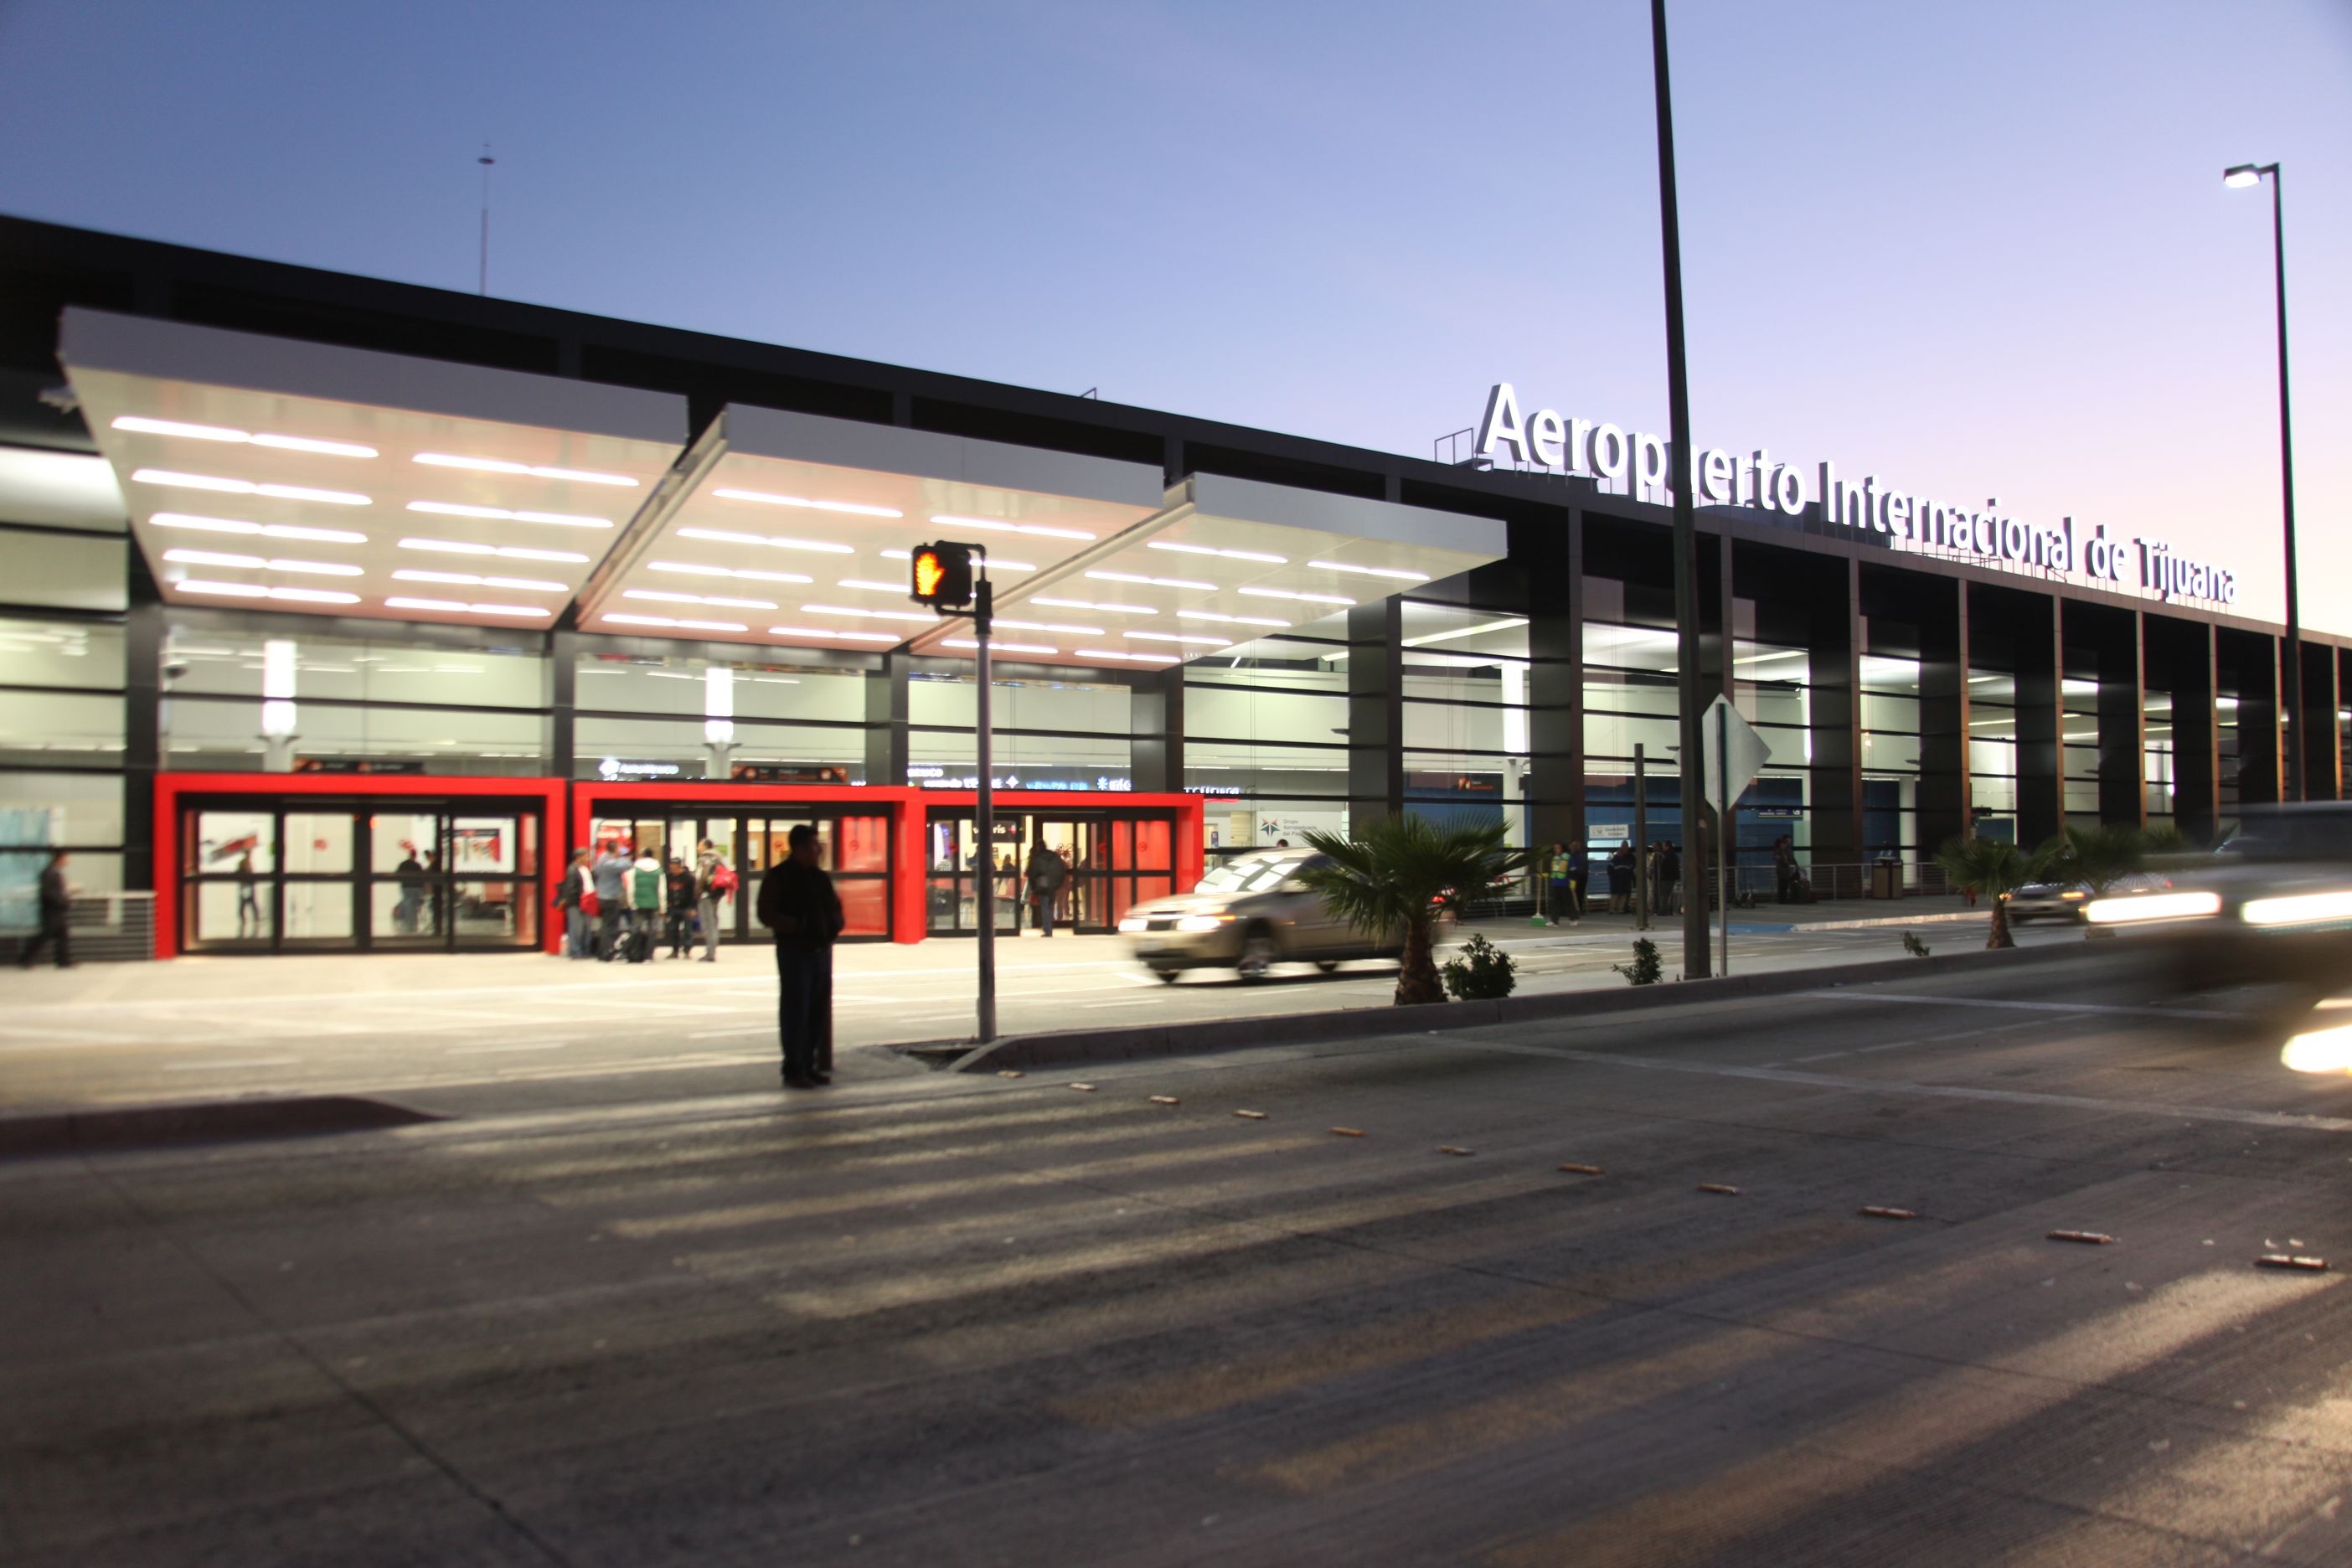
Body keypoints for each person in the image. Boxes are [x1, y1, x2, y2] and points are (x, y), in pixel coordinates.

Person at [758, 823, 843, 1089]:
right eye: (811, 846)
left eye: (817, 845)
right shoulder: (779, 877)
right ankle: (794, 1068)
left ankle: (809, 1064)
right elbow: (766, 913)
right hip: (795, 952)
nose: (817, 850)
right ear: (797, 848)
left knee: (816, 1012)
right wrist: (797, 927)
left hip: (820, 951)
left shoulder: (819, 878)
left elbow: (835, 907)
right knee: (796, 1011)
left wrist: (833, 927)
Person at [18, 849, 74, 968]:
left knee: (62, 935)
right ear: (60, 858)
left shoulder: (55, 872)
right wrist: (61, 901)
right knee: (44, 936)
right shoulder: (49, 872)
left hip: (57, 910)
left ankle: (63, 961)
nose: (68, 861)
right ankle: (25, 959)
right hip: (51, 911)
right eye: (67, 858)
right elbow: (47, 892)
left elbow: (56, 891)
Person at [591, 843, 632, 960]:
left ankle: (602, 951)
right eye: (619, 848)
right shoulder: (609, 863)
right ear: (615, 849)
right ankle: (606, 952)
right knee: (610, 926)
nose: (621, 850)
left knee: (606, 925)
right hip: (610, 898)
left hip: (603, 896)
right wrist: (624, 856)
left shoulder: (602, 857)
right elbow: (628, 865)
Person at [1024, 833, 1068, 938]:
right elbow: (1061, 869)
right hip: (1053, 886)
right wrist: (1058, 883)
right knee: (1050, 907)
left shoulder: (1037, 857)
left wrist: (1034, 886)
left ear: (1038, 847)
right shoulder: (1053, 856)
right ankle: (1050, 928)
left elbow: (1032, 872)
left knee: (1044, 908)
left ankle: (1048, 930)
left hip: (1042, 886)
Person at [554, 848, 592, 959]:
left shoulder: (584, 869)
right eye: (586, 856)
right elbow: (571, 889)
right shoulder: (572, 870)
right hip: (576, 903)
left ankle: (585, 950)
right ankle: (575, 951)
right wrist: (580, 898)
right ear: (579, 858)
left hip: (586, 902)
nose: (588, 859)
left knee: (585, 927)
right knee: (576, 928)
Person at [694, 838, 726, 962]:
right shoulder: (718, 858)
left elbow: (701, 877)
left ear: (706, 846)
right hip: (716, 894)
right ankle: (712, 949)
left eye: (700, 845)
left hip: (705, 894)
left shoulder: (704, 859)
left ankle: (710, 953)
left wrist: (698, 892)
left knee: (708, 924)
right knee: (713, 921)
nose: (698, 848)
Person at [630, 848, 663, 955]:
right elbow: (662, 891)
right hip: (654, 904)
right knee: (652, 930)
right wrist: (663, 907)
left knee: (636, 929)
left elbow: (631, 888)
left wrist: (632, 903)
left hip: (638, 903)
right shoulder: (659, 870)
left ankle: (636, 952)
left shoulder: (634, 869)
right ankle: (649, 955)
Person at [663, 855, 698, 959]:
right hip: (673, 907)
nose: (673, 869)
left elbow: (694, 894)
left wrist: (693, 908)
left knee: (687, 930)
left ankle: (687, 950)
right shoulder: (668, 877)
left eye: (675, 867)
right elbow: (666, 892)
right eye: (671, 867)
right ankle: (675, 950)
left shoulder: (689, 878)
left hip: (686, 907)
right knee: (673, 929)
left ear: (680, 867)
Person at [393, 848, 424, 934]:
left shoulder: (403, 864)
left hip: (406, 887)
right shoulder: (418, 865)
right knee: (414, 906)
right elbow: (422, 878)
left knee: (407, 903)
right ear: (415, 855)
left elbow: (397, 874)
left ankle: (407, 922)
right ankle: (412, 924)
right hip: (416, 888)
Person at [235, 849, 263, 937]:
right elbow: (243, 874)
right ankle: (247, 918)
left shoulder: (247, 863)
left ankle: (252, 917)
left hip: (248, 886)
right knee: (247, 903)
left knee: (249, 903)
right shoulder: (244, 863)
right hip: (246, 886)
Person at [421, 848, 445, 935]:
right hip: (434, 889)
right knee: (433, 906)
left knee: (434, 906)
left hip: (434, 889)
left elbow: (429, 874)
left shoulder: (434, 864)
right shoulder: (434, 864)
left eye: (428, 857)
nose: (427, 859)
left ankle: (435, 924)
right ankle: (435, 923)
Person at [1607, 843, 1633, 915]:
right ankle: (1617, 909)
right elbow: (1610, 872)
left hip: (1620, 881)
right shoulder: (1622, 861)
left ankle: (1616, 909)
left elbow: (1610, 871)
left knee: (1619, 896)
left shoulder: (1614, 861)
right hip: (1619, 881)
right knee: (1618, 896)